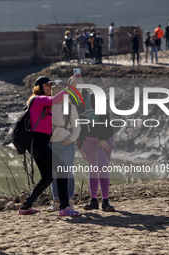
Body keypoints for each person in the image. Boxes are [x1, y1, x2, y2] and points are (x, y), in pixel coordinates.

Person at [19, 76, 80, 217]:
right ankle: (65, 207)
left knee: (47, 177)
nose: (50, 87)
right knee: (62, 169)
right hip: (39, 143)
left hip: (37, 144)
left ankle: (25, 206)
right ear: (39, 87)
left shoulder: (44, 104)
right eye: (47, 85)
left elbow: (61, 104)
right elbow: (54, 100)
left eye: (51, 85)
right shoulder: (37, 99)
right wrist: (70, 87)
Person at [69, 76, 115, 212]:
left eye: (77, 86)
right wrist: (79, 147)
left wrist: (102, 138)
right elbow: (76, 126)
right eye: (72, 87)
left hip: (103, 137)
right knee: (93, 168)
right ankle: (93, 200)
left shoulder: (94, 96)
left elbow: (105, 117)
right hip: (87, 139)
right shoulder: (73, 104)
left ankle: (105, 201)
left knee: (102, 166)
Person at [46, 80, 81, 212]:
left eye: (62, 88)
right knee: (54, 174)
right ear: (53, 91)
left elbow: (77, 127)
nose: (59, 91)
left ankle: (69, 201)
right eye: (56, 88)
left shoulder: (70, 107)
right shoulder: (48, 106)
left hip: (66, 145)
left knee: (67, 174)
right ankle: (56, 201)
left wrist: (71, 139)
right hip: (50, 144)